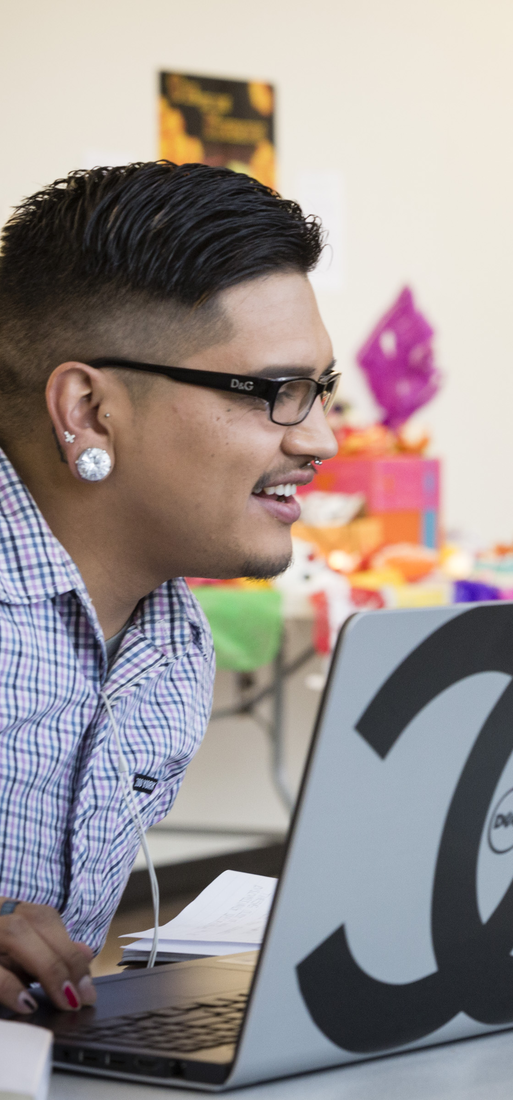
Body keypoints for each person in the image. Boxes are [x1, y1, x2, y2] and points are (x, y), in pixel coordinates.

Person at [0, 163, 338, 1016]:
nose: (322, 439)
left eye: (321, 391)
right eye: (277, 394)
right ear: (87, 408)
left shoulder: (171, 640)